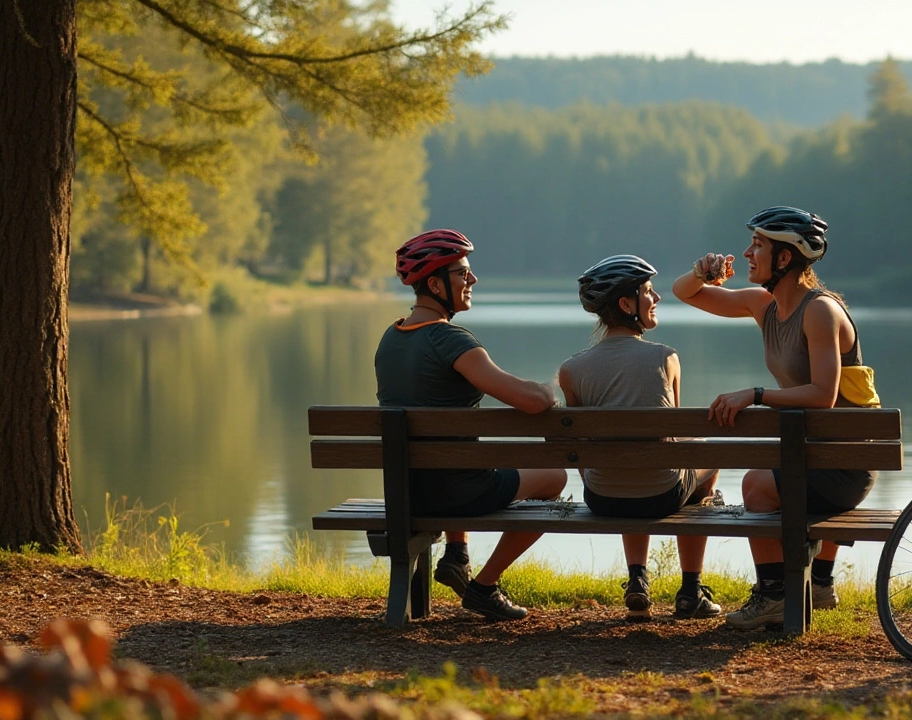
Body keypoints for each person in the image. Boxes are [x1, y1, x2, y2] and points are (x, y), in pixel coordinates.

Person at [671, 206, 877, 631]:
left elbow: (823, 395)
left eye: (758, 245)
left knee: (755, 485)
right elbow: (683, 293)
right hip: (815, 454)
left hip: (844, 465)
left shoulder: (820, 311)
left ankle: (773, 596)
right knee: (770, 473)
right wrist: (701, 271)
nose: (747, 252)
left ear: (785, 258)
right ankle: (816, 583)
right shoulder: (763, 305)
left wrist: (757, 394)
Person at [375, 228, 568, 621]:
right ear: (434, 283)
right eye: (463, 273)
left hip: (407, 492)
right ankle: (484, 586)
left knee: (455, 456)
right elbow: (531, 402)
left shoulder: (389, 339)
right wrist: (550, 390)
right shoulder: (451, 341)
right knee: (556, 478)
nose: (472, 280)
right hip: (459, 493)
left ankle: (457, 555)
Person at [558, 255, 723, 621]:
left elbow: (580, 446)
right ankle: (691, 591)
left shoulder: (571, 370)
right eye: (648, 291)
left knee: (624, 462)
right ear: (625, 304)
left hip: (602, 497)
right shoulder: (666, 358)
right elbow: (677, 439)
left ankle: (637, 579)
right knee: (705, 456)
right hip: (661, 496)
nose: (657, 298)